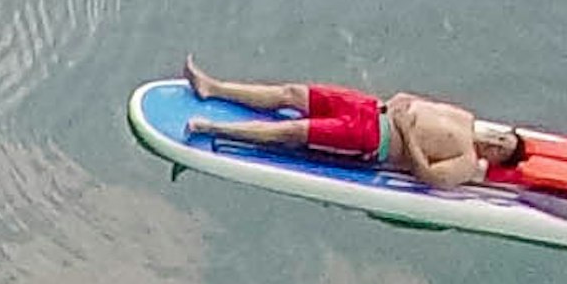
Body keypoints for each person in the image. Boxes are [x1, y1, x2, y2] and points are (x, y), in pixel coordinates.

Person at [182, 62, 525, 190]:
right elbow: (419, 100)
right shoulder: (464, 118)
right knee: (293, 93)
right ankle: (213, 86)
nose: (494, 140)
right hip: (371, 108)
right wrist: (402, 99)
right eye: (500, 136)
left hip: (375, 138)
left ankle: (212, 128)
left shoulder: (465, 162)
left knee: (296, 132)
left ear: (495, 160)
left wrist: (405, 132)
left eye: (501, 147)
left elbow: (429, 177)